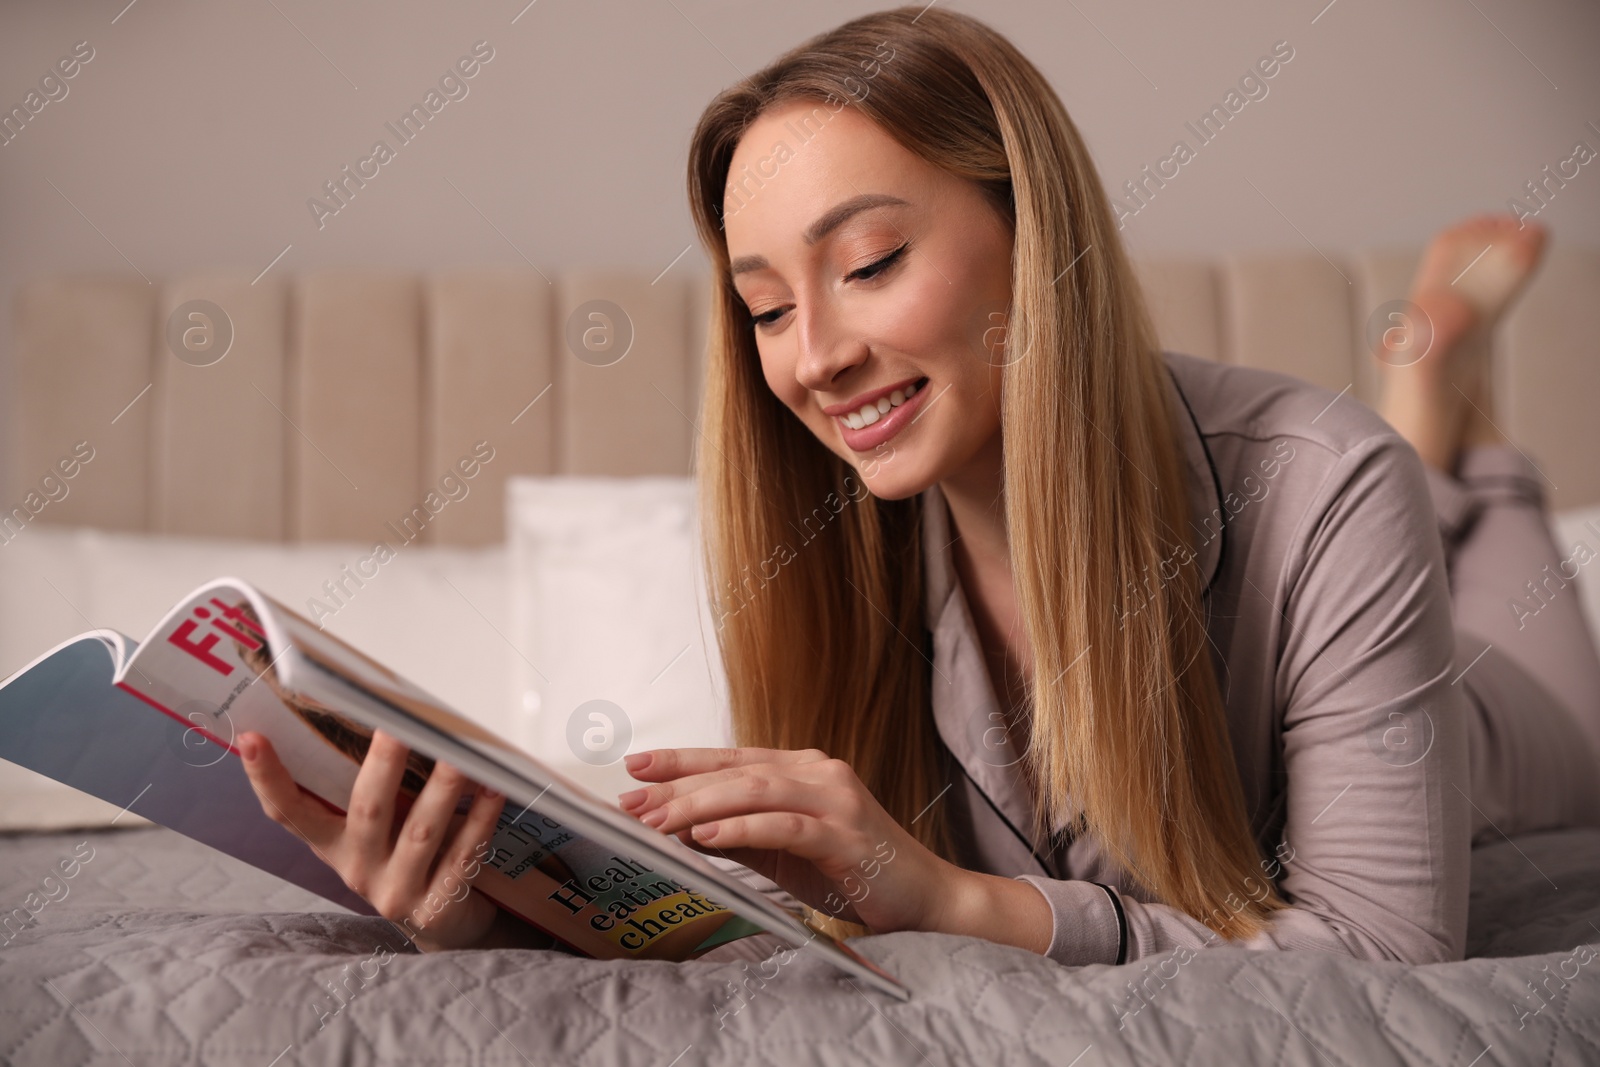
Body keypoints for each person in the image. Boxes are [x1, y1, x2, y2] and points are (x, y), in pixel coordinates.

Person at [237, 6, 1600, 966]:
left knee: (1514, 624)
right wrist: (480, 914)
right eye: (766, 308)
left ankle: (1432, 393)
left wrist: (956, 901)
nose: (817, 359)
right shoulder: (828, 542)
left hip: (1484, 707)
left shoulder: (1323, 485)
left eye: (872, 262)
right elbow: (774, 931)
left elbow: (1380, 954)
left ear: (1031, 233)